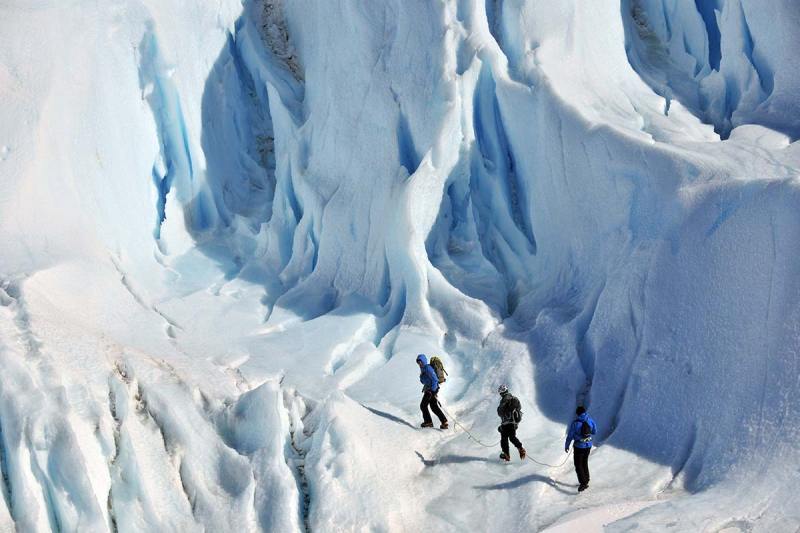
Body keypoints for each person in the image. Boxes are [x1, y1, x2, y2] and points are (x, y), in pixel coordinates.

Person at [564, 406, 597, 492]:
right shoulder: (590, 420)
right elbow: (594, 431)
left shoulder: (575, 423)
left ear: (577, 414)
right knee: (584, 462)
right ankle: (586, 479)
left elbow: (570, 436)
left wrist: (567, 445)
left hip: (579, 446)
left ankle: (583, 483)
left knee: (578, 465)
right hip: (589, 445)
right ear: (584, 412)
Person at [416, 354, 448, 429]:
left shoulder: (427, 368)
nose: (419, 363)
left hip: (431, 390)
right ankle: (444, 422)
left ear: (423, 361)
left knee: (423, 405)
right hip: (430, 389)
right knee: (434, 406)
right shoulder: (423, 369)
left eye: (420, 361)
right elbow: (425, 381)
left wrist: (433, 391)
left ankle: (428, 422)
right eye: (418, 362)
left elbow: (435, 379)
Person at [497, 384, 526, 462]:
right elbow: (519, 408)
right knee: (511, 437)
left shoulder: (504, 399)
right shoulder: (513, 399)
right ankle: (520, 448)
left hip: (506, 423)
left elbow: (500, 412)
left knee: (504, 439)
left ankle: (507, 454)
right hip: (513, 423)